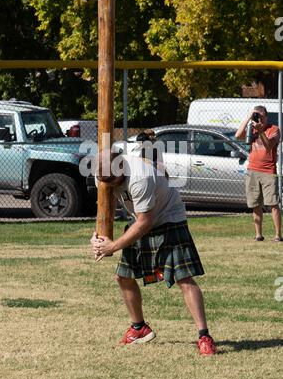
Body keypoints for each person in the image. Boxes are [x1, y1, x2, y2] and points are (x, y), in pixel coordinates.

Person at [90, 150, 216, 355]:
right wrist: (98, 235)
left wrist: (114, 246)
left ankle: (204, 336)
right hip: (141, 220)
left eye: (112, 179)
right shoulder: (104, 177)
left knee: (184, 278)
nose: (109, 183)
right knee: (123, 276)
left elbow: (145, 222)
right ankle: (139, 328)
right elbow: (106, 206)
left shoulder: (140, 177)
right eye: (104, 180)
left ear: (121, 166)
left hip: (168, 218)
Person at [235, 106, 282, 241]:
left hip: (268, 171)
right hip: (252, 171)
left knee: (273, 203)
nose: (259, 119)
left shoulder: (274, 129)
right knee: (255, 204)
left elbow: (269, 146)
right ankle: (258, 235)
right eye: (257, 116)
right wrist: (249, 116)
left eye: (261, 116)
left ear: (266, 117)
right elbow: (238, 135)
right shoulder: (252, 129)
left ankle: (278, 235)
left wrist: (261, 131)